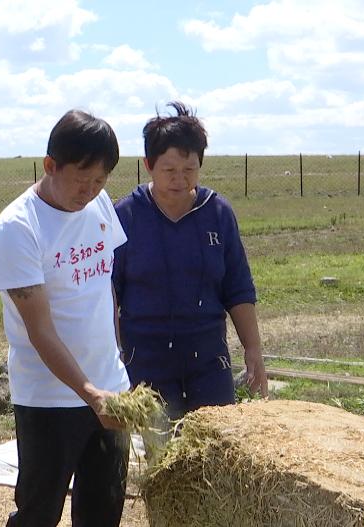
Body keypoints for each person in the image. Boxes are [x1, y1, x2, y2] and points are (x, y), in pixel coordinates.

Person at [0, 110, 131, 526]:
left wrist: (116, 367)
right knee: (38, 512)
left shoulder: (100, 203)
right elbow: (39, 331)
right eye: (80, 180)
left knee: (104, 512)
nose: (89, 191)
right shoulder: (17, 229)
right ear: (50, 165)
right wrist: (90, 392)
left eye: (100, 181)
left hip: (111, 389)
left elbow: (106, 286)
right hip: (49, 399)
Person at [111, 101, 268, 420]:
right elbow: (107, 294)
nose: (180, 180)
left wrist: (253, 350)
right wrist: (114, 358)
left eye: (189, 170)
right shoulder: (126, 216)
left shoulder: (218, 213)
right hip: (145, 362)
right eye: (169, 170)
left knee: (212, 450)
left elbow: (237, 288)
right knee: (160, 458)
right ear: (148, 165)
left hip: (208, 361)